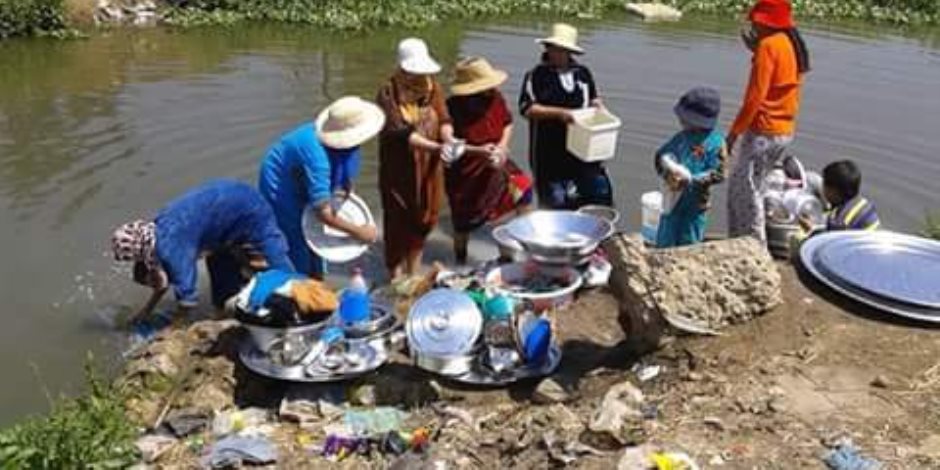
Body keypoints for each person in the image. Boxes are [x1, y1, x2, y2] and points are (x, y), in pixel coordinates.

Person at [110, 180, 294, 323]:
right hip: (226, 205)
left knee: (280, 275)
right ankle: (227, 309)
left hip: (247, 210)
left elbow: (188, 300)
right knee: (220, 276)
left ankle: (306, 312)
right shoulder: (156, 231)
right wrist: (146, 310)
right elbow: (161, 282)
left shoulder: (171, 249)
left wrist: (175, 327)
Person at [259, 96, 384, 278]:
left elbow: (346, 167)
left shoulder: (346, 145)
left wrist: (346, 185)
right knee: (297, 237)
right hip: (281, 182)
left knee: (320, 242)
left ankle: (318, 274)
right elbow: (323, 213)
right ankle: (299, 280)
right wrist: (359, 231)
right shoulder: (317, 158)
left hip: (303, 170)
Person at [726, 0, 811, 241]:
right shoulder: (788, 44)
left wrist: (733, 135)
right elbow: (778, 81)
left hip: (763, 131)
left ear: (765, 21)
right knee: (755, 187)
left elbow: (755, 98)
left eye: (755, 21)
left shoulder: (768, 46)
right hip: (782, 131)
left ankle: (752, 246)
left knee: (745, 192)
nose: (752, 25)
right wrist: (756, 51)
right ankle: (746, 242)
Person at [376, 38, 455, 278]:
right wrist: (434, 146)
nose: (418, 76)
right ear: (403, 68)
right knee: (397, 221)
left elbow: (444, 120)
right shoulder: (388, 93)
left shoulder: (432, 88)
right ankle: (395, 275)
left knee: (423, 218)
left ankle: (414, 272)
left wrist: (448, 140)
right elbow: (401, 133)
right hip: (398, 170)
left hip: (429, 169)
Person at [445, 57, 534, 265]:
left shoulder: (495, 97)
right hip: (466, 169)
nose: (491, 87)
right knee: (464, 221)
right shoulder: (452, 108)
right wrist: (477, 150)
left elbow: (507, 123)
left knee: (524, 190)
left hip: (497, 160)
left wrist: (502, 146)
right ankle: (460, 261)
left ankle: (521, 244)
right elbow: (448, 143)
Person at [519, 23, 613, 210]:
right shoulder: (536, 75)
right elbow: (527, 109)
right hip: (548, 153)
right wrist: (561, 114)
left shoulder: (583, 74)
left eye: (564, 50)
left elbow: (594, 100)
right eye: (556, 49)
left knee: (597, 197)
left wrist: (601, 109)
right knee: (556, 203)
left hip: (582, 149)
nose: (559, 54)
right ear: (548, 48)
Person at [654, 87, 728, 248]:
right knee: (666, 235)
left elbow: (720, 173)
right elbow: (661, 156)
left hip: (697, 204)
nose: (681, 122)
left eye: (685, 119)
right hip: (673, 200)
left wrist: (691, 179)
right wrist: (668, 173)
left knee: (690, 238)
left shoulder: (716, 143)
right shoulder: (681, 138)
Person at [799, 160, 880, 235]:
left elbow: (828, 242)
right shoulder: (864, 203)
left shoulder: (839, 220)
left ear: (833, 191)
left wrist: (810, 229)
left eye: (824, 185)